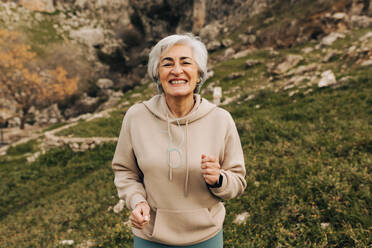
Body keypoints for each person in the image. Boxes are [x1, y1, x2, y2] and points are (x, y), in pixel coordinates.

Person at [112, 33, 246, 247]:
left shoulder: (221, 119)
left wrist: (218, 179)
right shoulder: (136, 117)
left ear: (198, 73)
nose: (177, 70)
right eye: (167, 64)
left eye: (186, 62)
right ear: (157, 73)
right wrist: (137, 201)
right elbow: (125, 171)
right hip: (151, 236)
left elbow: (237, 181)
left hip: (206, 238)